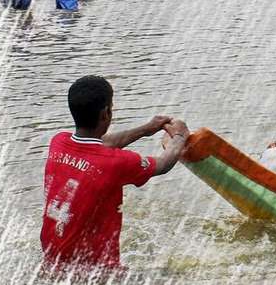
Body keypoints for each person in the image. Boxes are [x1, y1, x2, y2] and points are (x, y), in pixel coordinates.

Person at [40, 76, 189, 274]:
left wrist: (146, 129)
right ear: (106, 113)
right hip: (96, 273)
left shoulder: (58, 143)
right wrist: (180, 136)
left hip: (53, 262)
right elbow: (163, 164)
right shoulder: (116, 163)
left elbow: (101, 144)